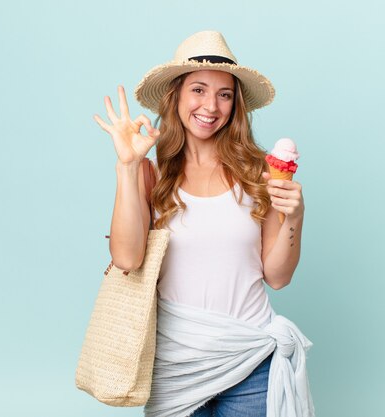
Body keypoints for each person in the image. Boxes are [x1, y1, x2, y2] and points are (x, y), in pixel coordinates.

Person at [94, 31, 314, 417]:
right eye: (198, 90)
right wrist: (128, 167)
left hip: (249, 361)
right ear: (176, 95)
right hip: (174, 366)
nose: (211, 106)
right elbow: (127, 259)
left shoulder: (259, 173)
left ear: (235, 103)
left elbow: (277, 276)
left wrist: (294, 218)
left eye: (224, 94)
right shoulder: (151, 174)